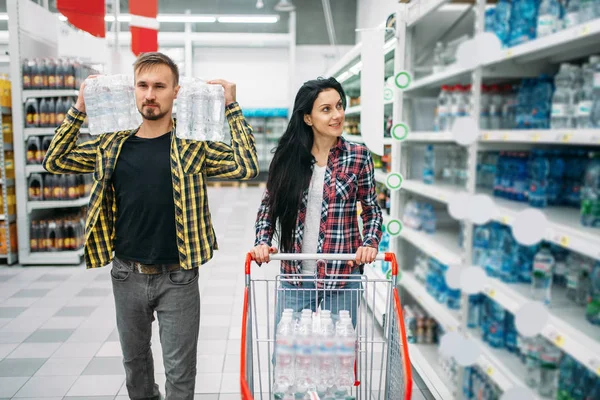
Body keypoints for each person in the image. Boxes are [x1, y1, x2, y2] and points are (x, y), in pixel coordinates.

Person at [43, 52, 259, 400]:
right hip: (126, 273)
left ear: (176, 92)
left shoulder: (192, 145)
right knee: (136, 367)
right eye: (142, 85)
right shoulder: (111, 144)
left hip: (179, 277)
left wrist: (232, 108)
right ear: (133, 91)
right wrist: (79, 108)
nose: (150, 94)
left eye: (159, 86)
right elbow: (54, 159)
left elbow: (246, 166)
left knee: (180, 372)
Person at [250, 77, 383, 327]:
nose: (337, 115)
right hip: (295, 277)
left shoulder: (358, 157)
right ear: (308, 118)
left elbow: (372, 211)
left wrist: (369, 242)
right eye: (326, 109)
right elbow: (268, 208)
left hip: (342, 275)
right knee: (288, 357)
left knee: (338, 359)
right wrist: (262, 242)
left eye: (339, 106)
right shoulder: (287, 157)